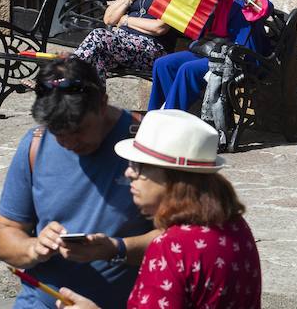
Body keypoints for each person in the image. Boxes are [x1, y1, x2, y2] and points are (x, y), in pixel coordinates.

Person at [0, 58, 157, 308]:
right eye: (58, 133)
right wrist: (35, 247)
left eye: (79, 129)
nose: (69, 142)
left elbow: (181, 240)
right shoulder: (35, 144)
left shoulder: (144, 143)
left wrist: (116, 248)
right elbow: (3, 235)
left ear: (102, 102)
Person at [56, 110, 262, 309]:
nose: (129, 172)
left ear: (174, 178)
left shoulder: (170, 248)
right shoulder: (236, 226)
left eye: (139, 165)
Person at [147, 0, 273, 112]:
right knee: (163, 64)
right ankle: (159, 116)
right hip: (210, 50)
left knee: (188, 70)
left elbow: (264, 8)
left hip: (237, 57)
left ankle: (170, 119)